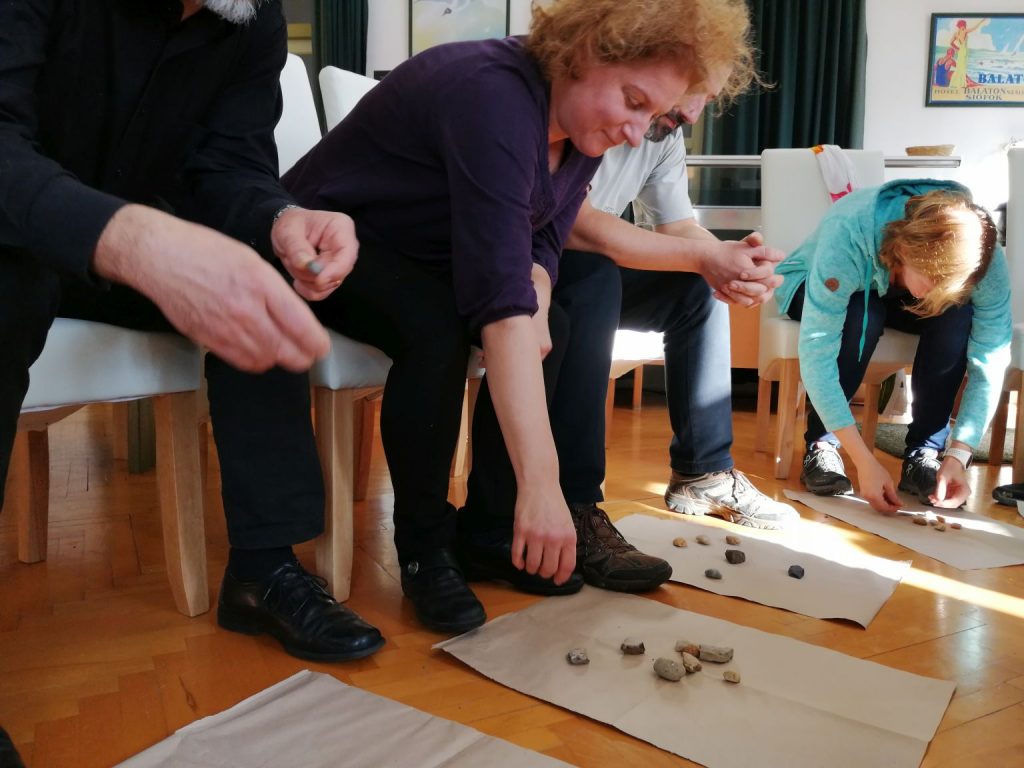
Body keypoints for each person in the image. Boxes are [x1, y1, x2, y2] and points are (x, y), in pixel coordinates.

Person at [284, 0, 757, 633]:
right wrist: (544, 487)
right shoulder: (493, 95)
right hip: (331, 243)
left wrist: (538, 280)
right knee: (434, 329)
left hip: (427, 253)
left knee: (554, 315)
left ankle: (490, 529)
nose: (636, 133)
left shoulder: (580, 132)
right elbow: (501, 308)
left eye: (652, 115)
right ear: (586, 53)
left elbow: (543, 234)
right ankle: (424, 548)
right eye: (634, 102)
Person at [0, 0, 384, 662]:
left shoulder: (251, 18)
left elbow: (229, 166)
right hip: (18, 237)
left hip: (137, 254)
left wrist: (278, 219)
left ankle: (264, 571)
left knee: (260, 278)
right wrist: (124, 235)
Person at [550, 68, 800, 551]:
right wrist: (708, 258)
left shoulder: (663, 137)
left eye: (707, 98)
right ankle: (574, 500)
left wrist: (729, 262)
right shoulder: (588, 110)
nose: (693, 113)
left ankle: (702, 473)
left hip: (595, 268)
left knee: (697, 288)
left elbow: (678, 227)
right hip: (541, 263)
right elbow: (580, 227)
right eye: (692, 92)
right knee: (595, 275)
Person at [773, 181, 1009, 512]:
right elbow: (817, 353)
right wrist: (862, 459)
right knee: (863, 313)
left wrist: (959, 454)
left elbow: (991, 359)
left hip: (895, 290)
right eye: (934, 284)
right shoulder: (849, 232)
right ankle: (822, 445)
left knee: (957, 313)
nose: (938, 295)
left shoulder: (983, 255)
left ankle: (924, 453)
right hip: (814, 284)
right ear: (905, 253)